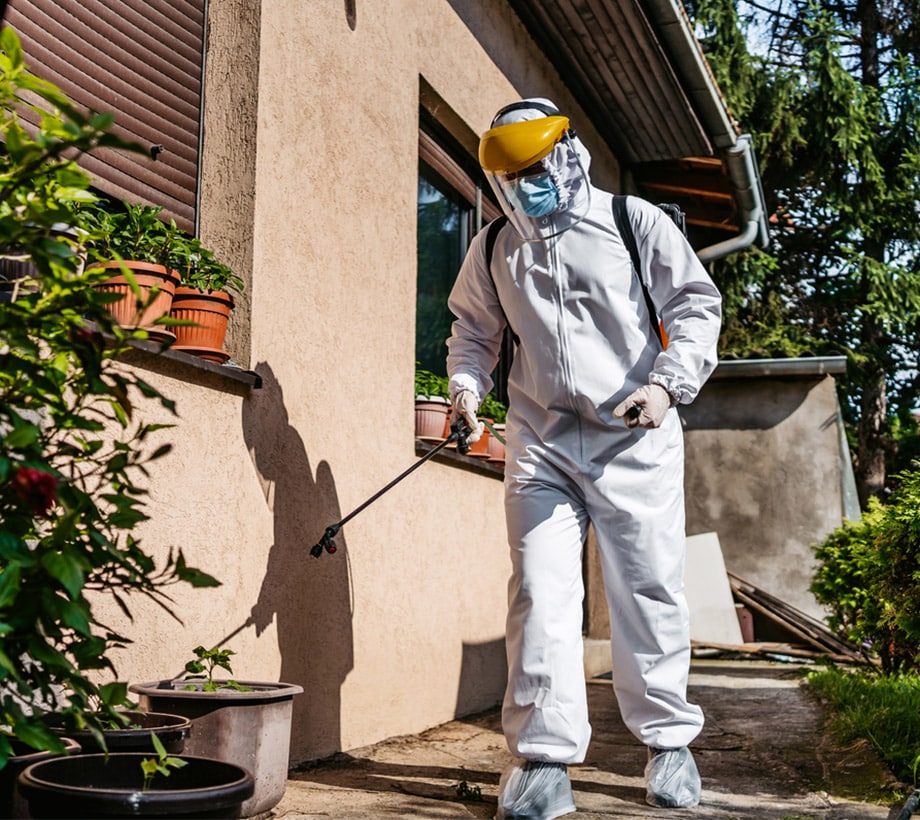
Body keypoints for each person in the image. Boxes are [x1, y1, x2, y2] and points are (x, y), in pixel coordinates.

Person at [446, 98, 722, 818]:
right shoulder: (495, 247)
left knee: (648, 590)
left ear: (567, 155)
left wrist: (667, 387)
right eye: (512, 176)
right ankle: (542, 762)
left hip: (635, 434)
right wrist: (466, 388)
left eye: (536, 170)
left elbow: (695, 306)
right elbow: (472, 330)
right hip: (540, 442)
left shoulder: (633, 222)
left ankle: (667, 746)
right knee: (540, 592)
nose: (526, 186)